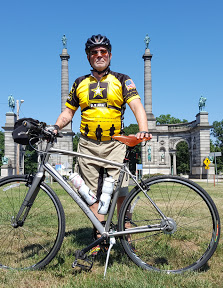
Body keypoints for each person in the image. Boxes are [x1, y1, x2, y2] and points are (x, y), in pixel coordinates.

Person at [54, 34, 151, 255]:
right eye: (94, 52)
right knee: (91, 193)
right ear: (88, 57)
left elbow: (136, 105)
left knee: (120, 191)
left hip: (115, 143)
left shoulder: (122, 79)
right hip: (87, 144)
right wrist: (55, 127)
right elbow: (69, 112)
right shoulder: (79, 83)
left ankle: (125, 235)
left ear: (109, 55)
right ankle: (100, 237)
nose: (99, 55)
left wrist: (143, 128)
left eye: (103, 52)